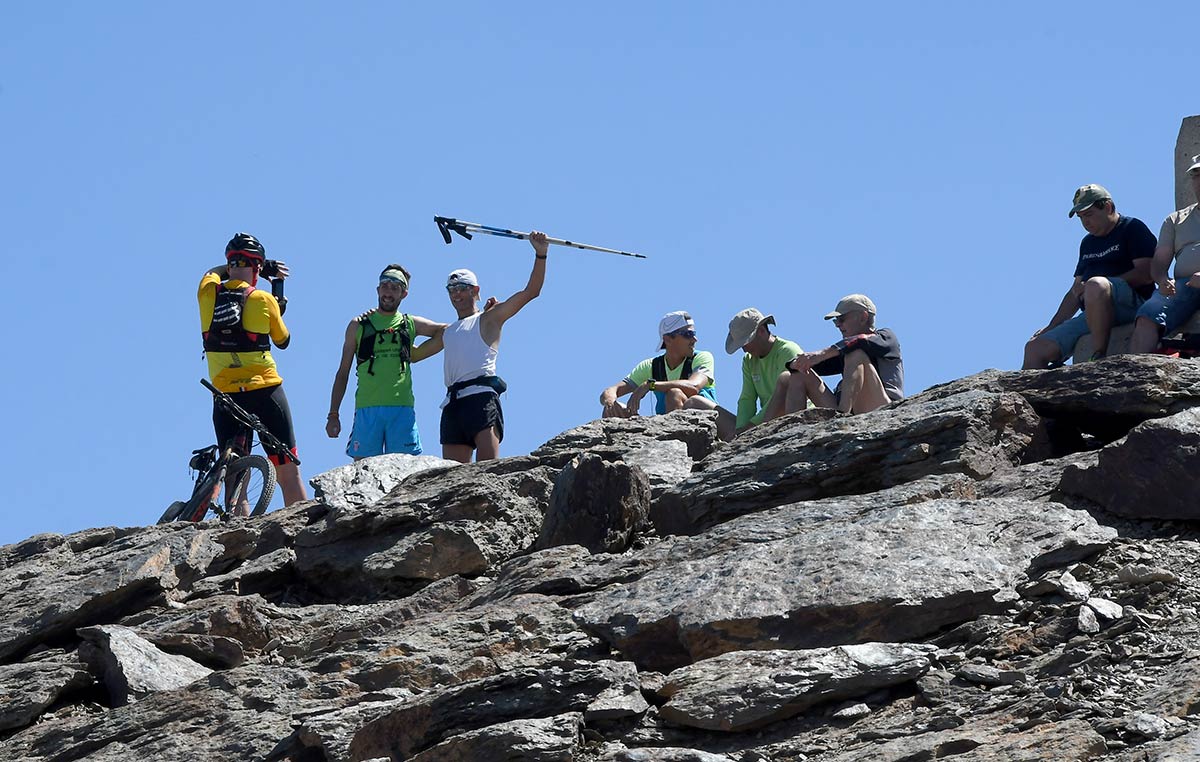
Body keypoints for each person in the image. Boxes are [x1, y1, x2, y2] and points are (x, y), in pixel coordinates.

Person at [198, 232, 306, 509]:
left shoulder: (207, 292)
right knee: (287, 469)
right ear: (258, 268)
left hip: (225, 394)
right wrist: (277, 308)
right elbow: (283, 341)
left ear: (229, 263)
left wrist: (233, 265)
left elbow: (212, 272)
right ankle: (304, 527)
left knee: (235, 475)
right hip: (265, 390)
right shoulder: (263, 299)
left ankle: (237, 528)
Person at [439, 231, 549, 463]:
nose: (456, 294)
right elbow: (417, 350)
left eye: (462, 288)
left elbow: (531, 292)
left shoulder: (489, 319)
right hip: (453, 403)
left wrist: (541, 255)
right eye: (452, 289)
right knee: (448, 480)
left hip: (481, 398)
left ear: (475, 291)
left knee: (486, 472)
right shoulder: (447, 331)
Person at [1023, 184, 1156, 368]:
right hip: (1094, 312)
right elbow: (1075, 292)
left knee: (1096, 285)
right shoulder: (1088, 243)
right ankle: (1033, 395)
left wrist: (1104, 285)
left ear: (1108, 207)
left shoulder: (1132, 228)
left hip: (1133, 305)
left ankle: (1098, 356)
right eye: (1081, 217)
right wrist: (1050, 326)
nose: (1085, 222)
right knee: (1034, 348)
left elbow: (1147, 273)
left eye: (1089, 214)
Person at [326, 265, 448, 459]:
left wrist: (416, 354)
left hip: (401, 409)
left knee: (405, 476)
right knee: (363, 474)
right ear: (377, 289)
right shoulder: (358, 325)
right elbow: (342, 373)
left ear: (404, 293)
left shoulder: (409, 323)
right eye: (385, 285)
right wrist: (334, 414)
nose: (388, 291)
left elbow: (445, 331)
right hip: (367, 409)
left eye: (395, 287)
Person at [780, 294, 904, 415]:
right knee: (800, 374)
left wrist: (822, 353)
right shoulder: (845, 350)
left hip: (883, 409)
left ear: (863, 317)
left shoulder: (886, 337)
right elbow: (814, 365)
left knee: (855, 354)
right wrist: (796, 363)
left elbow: (860, 341)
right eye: (836, 321)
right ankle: (795, 429)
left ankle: (842, 415)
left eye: (842, 319)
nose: (838, 325)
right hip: (851, 411)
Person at [1130, 156, 1200, 354]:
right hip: (1185, 285)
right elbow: (1160, 261)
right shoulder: (1176, 220)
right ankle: (1137, 373)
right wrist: (1161, 280)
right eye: (1196, 175)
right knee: (1148, 314)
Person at [703, 307, 803, 442]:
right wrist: (739, 433)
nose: (744, 349)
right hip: (762, 425)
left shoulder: (787, 351)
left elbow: (782, 399)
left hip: (794, 419)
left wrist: (750, 429)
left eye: (746, 342)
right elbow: (747, 399)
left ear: (761, 331)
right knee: (696, 403)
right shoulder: (749, 360)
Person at [599, 311, 718, 418]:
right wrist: (609, 401)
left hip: (704, 423)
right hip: (666, 428)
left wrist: (650, 385)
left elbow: (694, 387)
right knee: (611, 409)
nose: (695, 339)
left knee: (674, 394)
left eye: (694, 333)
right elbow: (611, 390)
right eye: (688, 334)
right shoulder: (652, 366)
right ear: (668, 339)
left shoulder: (702, 357)